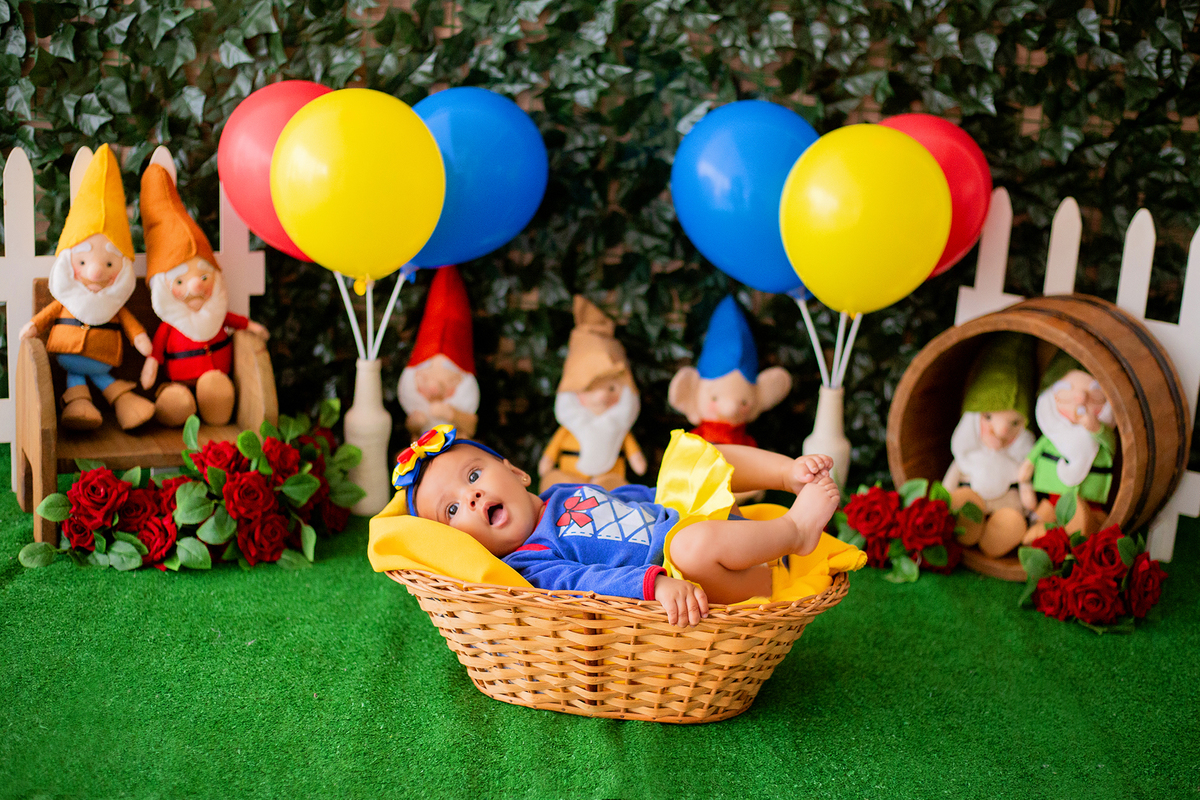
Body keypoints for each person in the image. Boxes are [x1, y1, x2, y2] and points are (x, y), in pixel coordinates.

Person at [395, 425, 843, 627]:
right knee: (689, 547)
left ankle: (787, 474)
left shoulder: (561, 495)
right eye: (452, 511)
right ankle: (795, 532)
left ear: (516, 473)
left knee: (686, 459)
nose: (469, 497)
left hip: (711, 530)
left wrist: (668, 493)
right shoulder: (530, 562)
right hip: (701, 576)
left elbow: (630, 502)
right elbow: (589, 581)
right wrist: (654, 586)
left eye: (473, 476)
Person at [20, 144, 156, 431]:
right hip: (69, 362)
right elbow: (47, 315)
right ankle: (80, 406)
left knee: (107, 382)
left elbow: (132, 326)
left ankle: (125, 403)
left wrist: (141, 339)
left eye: (109, 264)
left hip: (105, 360)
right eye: (83, 262)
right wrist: (33, 326)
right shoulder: (66, 297)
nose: (95, 271)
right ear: (70, 262)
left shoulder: (115, 305)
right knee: (77, 382)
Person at [137, 163, 269, 426]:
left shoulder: (216, 313)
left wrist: (251, 326)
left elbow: (233, 320)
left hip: (217, 376)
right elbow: (157, 352)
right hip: (179, 382)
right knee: (179, 401)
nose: (196, 286)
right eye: (181, 281)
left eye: (204, 276)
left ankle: (215, 408)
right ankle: (175, 407)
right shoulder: (170, 324)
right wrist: (152, 365)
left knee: (215, 387)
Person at [539, 296, 647, 491]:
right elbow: (552, 451)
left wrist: (636, 459)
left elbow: (635, 457)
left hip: (608, 479)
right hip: (570, 478)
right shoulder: (570, 424)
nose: (601, 397)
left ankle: (608, 491)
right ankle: (564, 491)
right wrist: (548, 461)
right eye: (589, 389)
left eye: (612, 388)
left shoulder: (619, 427)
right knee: (556, 484)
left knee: (614, 489)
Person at [397, 265, 479, 438]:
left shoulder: (464, 396)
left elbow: (470, 427)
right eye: (425, 378)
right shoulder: (412, 397)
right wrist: (414, 423)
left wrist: (452, 414)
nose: (433, 386)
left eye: (445, 380)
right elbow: (412, 429)